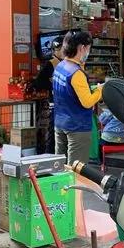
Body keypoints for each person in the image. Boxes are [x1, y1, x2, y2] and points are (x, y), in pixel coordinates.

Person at [53, 31, 102, 164]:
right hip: (77, 126)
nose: (88, 52)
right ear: (82, 48)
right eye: (89, 48)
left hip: (60, 123)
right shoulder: (76, 73)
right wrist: (100, 90)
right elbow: (87, 102)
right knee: (76, 169)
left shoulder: (60, 66)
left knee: (60, 167)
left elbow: (68, 92)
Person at [33, 35, 64, 153]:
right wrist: (53, 84)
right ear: (56, 50)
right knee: (53, 132)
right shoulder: (51, 64)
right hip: (55, 104)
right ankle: (49, 155)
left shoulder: (64, 63)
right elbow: (38, 82)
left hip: (63, 104)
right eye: (61, 49)